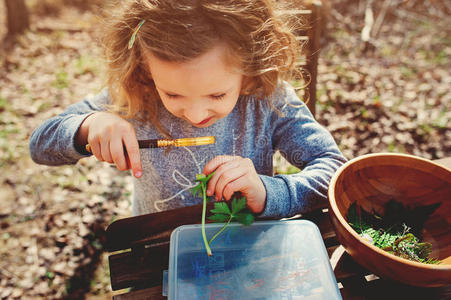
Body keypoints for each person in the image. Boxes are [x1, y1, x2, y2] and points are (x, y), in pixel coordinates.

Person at [29, 0, 346, 217]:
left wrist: (269, 192)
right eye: (173, 94)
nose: (196, 116)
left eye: (218, 94)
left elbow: (334, 170)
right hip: (157, 253)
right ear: (145, 67)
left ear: (249, 69)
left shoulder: (267, 99)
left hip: (251, 251)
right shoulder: (135, 95)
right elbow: (39, 144)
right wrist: (89, 125)